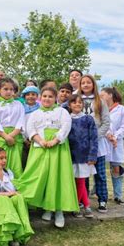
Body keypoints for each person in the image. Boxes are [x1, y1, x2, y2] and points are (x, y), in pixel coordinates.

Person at [14, 87, 79, 228]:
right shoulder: (35, 114)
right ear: (40, 98)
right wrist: (40, 141)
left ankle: (59, 210)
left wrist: (55, 141)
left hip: (58, 149)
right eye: (44, 96)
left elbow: (66, 127)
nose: (47, 99)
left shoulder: (62, 112)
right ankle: (47, 207)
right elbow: (30, 129)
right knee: (41, 177)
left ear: (55, 98)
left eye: (50, 96)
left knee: (57, 178)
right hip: (40, 148)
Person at [78, 74, 111, 212]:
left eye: (88, 82)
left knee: (100, 174)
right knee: (83, 174)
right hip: (82, 145)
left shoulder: (100, 102)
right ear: (80, 85)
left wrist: (94, 136)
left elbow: (106, 122)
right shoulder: (76, 100)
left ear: (93, 85)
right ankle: (82, 200)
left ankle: (102, 200)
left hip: (98, 144)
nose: (85, 85)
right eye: (83, 83)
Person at [67, 95, 98, 218]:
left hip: (84, 156)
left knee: (81, 181)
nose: (77, 104)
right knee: (74, 182)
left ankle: (81, 206)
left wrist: (92, 155)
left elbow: (94, 138)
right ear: (69, 105)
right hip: (70, 156)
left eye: (80, 102)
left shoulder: (88, 119)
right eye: (74, 102)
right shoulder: (66, 119)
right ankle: (84, 205)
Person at [0, 77, 25, 178]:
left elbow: (21, 122)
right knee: (0, 162)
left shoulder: (19, 105)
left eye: (11, 89)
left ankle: (16, 188)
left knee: (16, 165)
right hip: (0, 137)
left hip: (15, 137)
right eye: (5, 89)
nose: (9, 92)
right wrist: (6, 136)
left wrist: (11, 136)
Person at [101, 87, 124, 205]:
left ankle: (118, 195)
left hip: (116, 143)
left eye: (103, 95)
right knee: (100, 169)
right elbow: (100, 123)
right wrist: (108, 135)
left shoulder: (121, 109)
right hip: (103, 141)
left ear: (110, 95)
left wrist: (115, 136)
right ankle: (96, 191)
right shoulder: (101, 109)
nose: (101, 97)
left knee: (116, 168)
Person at [20, 86, 40, 168]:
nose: (31, 96)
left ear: (37, 96)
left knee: (35, 163)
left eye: (33, 94)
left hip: (37, 140)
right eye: (28, 94)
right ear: (24, 96)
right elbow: (19, 124)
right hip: (23, 140)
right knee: (24, 161)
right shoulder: (20, 108)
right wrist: (24, 139)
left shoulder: (40, 109)